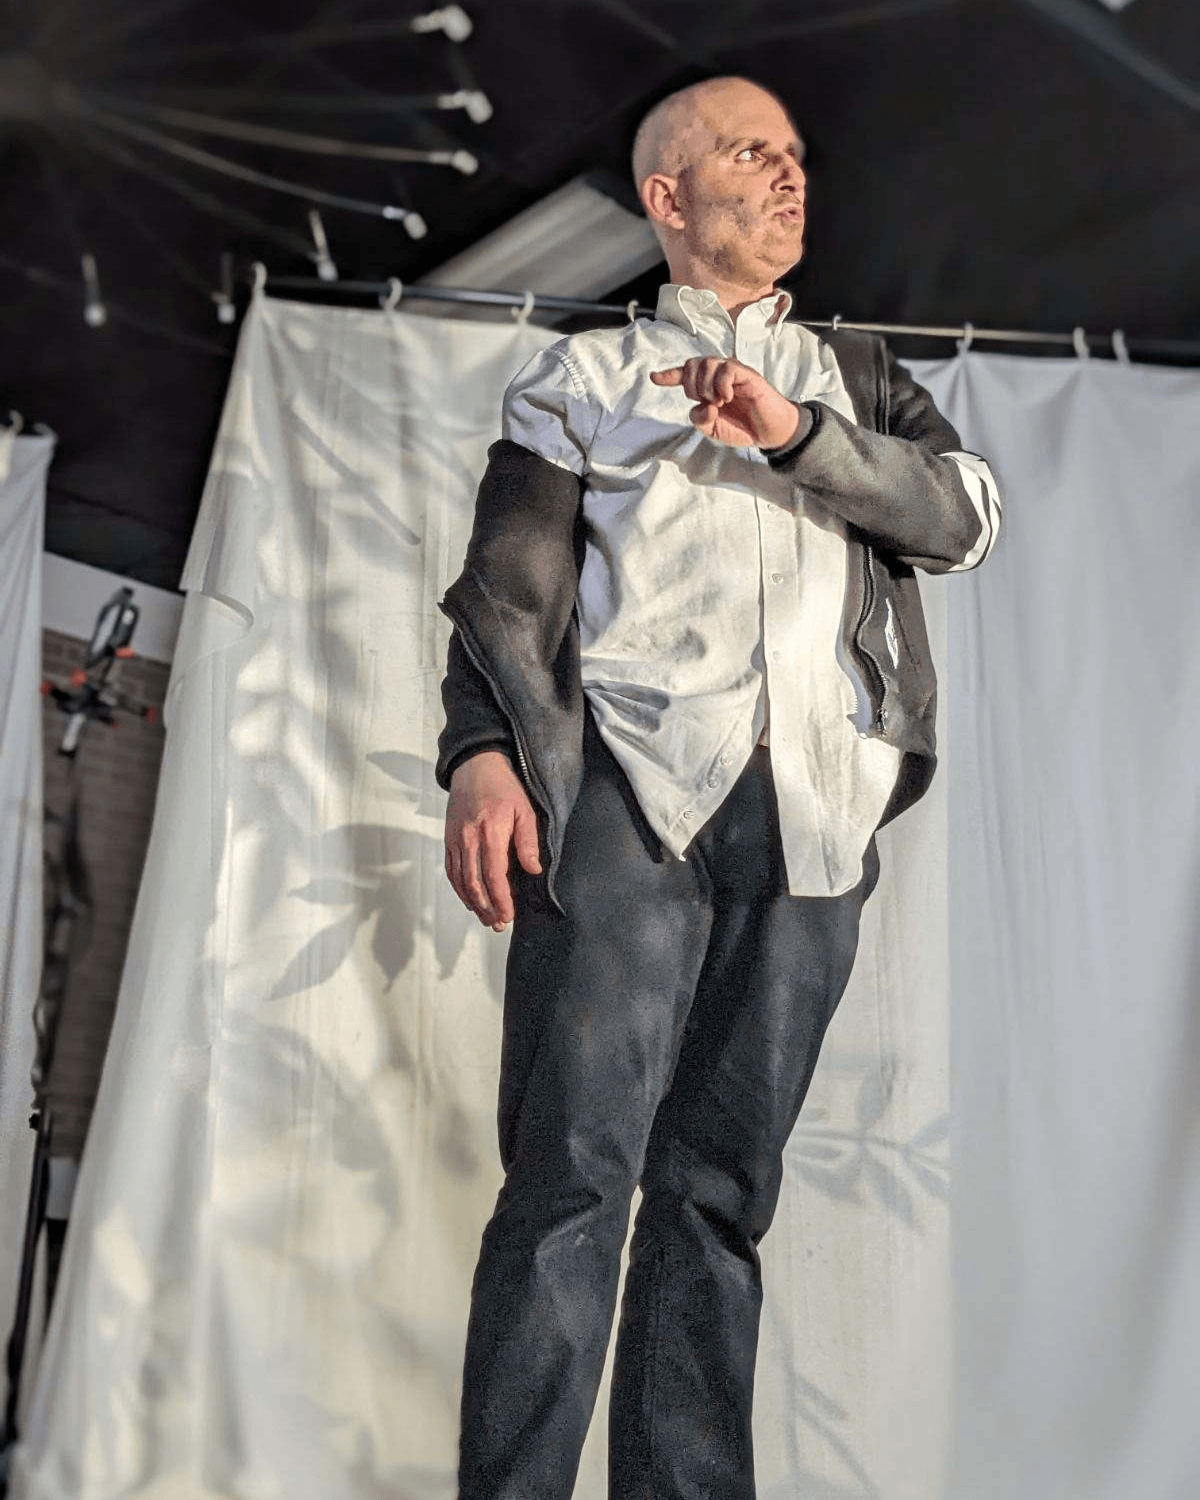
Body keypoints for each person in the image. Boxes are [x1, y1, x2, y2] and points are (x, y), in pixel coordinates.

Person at [436, 74, 1001, 1500]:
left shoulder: (856, 377)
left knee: (719, 1199)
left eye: (800, 155)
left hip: (813, 818)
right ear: (670, 200)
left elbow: (962, 517)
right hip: (631, 804)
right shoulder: (581, 381)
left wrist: (793, 432)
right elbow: (505, 599)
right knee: (571, 1181)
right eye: (755, 154)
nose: (793, 176)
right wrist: (481, 757)